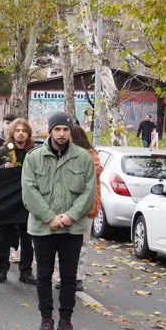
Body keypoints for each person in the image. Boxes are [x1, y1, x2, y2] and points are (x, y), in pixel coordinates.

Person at [22, 112, 96, 330]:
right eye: (58, 130)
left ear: (71, 131)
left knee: (69, 277)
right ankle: (46, 320)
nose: (62, 134)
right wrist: (50, 217)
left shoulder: (83, 158)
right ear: (50, 131)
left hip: (72, 228)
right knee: (43, 275)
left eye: (66, 130)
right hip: (43, 228)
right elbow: (29, 191)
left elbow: (89, 191)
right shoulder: (34, 157)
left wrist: (70, 216)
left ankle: (66, 322)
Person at [0, 117, 37, 285]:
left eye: (24, 131)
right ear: (12, 133)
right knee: (2, 237)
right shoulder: (2, 152)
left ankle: (26, 271)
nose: (21, 134)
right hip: (6, 203)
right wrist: (3, 168)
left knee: (28, 238)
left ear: (28, 134)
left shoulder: (34, 152)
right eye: (17, 130)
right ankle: (1, 270)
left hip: (27, 202)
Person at [64, 125, 101, 293]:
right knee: (65, 245)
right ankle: (67, 276)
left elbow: (93, 173)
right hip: (66, 207)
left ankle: (78, 278)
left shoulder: (89, 156)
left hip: (86, 208)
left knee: (81, 244)